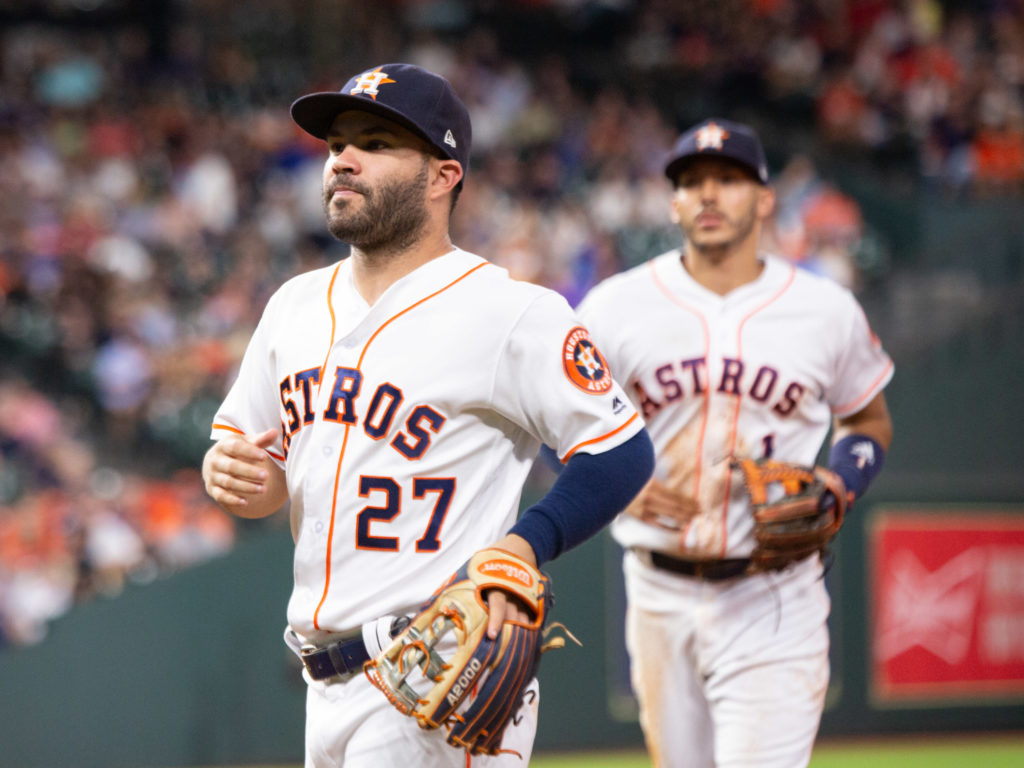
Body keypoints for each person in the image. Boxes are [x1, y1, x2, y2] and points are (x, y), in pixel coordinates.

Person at [201, 63, 654, 768]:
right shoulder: (292, 306)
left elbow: (622, 450)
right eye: (336, 145)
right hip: (323, 683)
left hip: (437, 668)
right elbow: (257, 474)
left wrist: (525, 543)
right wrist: (230, 471)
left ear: (443, 176)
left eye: (375, 144)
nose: (343, 159)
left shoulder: (512, 314)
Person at [576, 118, 894, 768]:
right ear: (673, 202)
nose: (709, 195)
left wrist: (842, 482)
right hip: (657, 591)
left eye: (728, 179)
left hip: (774, 590)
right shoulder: (613, 306)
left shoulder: (825, 308)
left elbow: (868, 422)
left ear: (766, 198)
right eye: (692, 183)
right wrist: (612, 493)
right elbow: (563, 428)